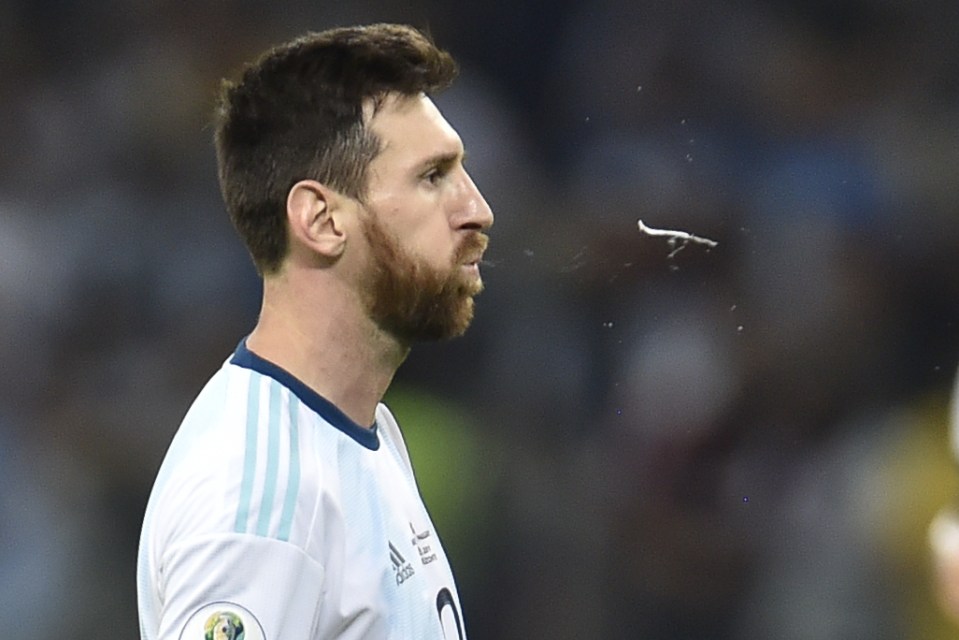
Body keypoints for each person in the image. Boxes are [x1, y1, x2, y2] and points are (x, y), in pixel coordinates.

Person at [136, 23, 493, 640]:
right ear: (321, 220)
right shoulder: (259, 500)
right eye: (433, 177)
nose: (477, 209)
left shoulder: (363, 431)